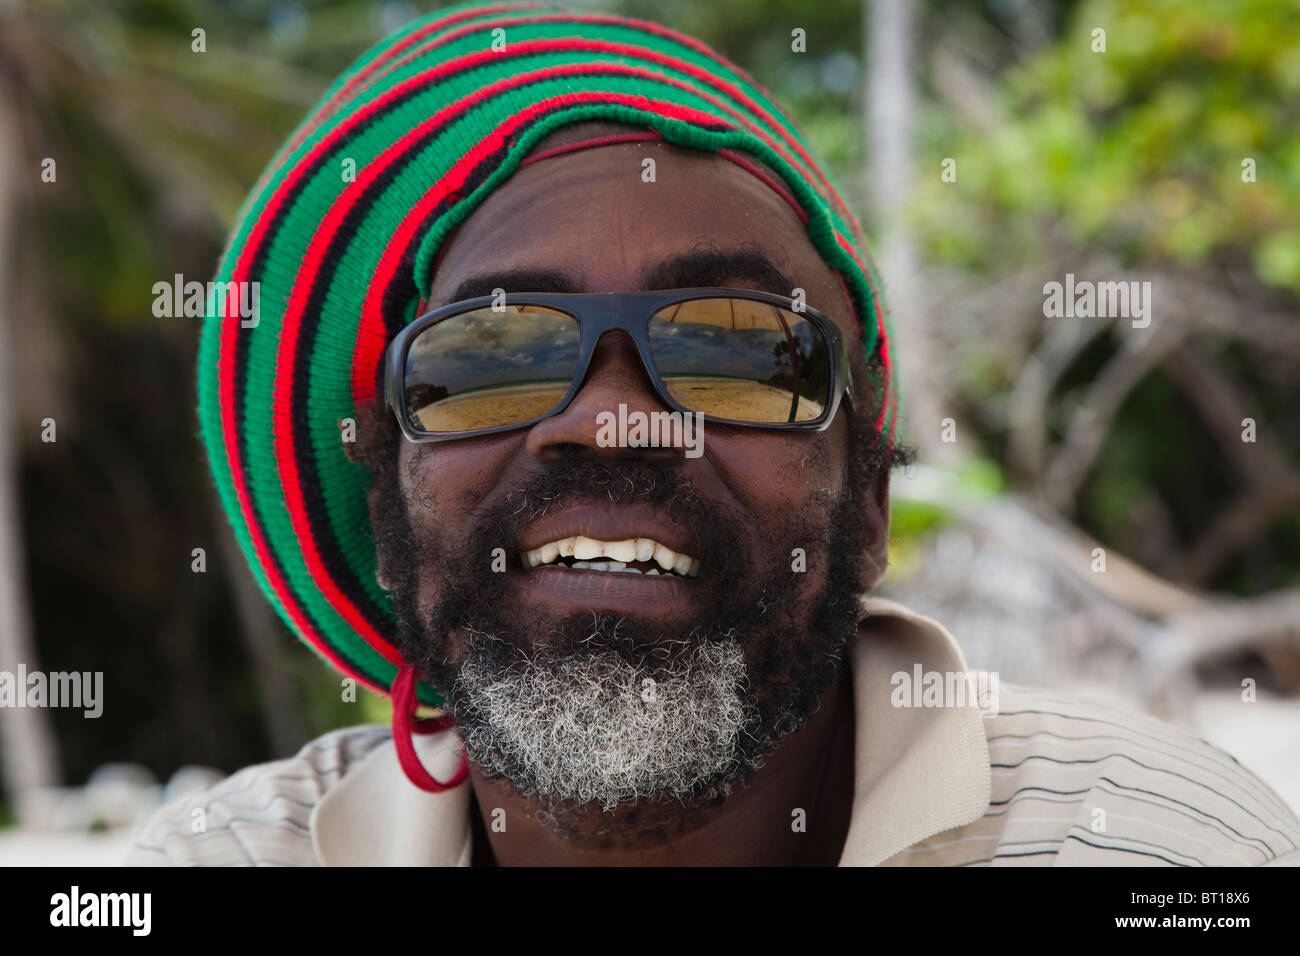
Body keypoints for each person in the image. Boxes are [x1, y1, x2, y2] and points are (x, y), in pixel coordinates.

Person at [127, 1, 1300, 866]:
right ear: (387, 510)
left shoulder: (1162, 848)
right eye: (490, 353)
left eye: (742, 349)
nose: (608, 418)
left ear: (872, 501)